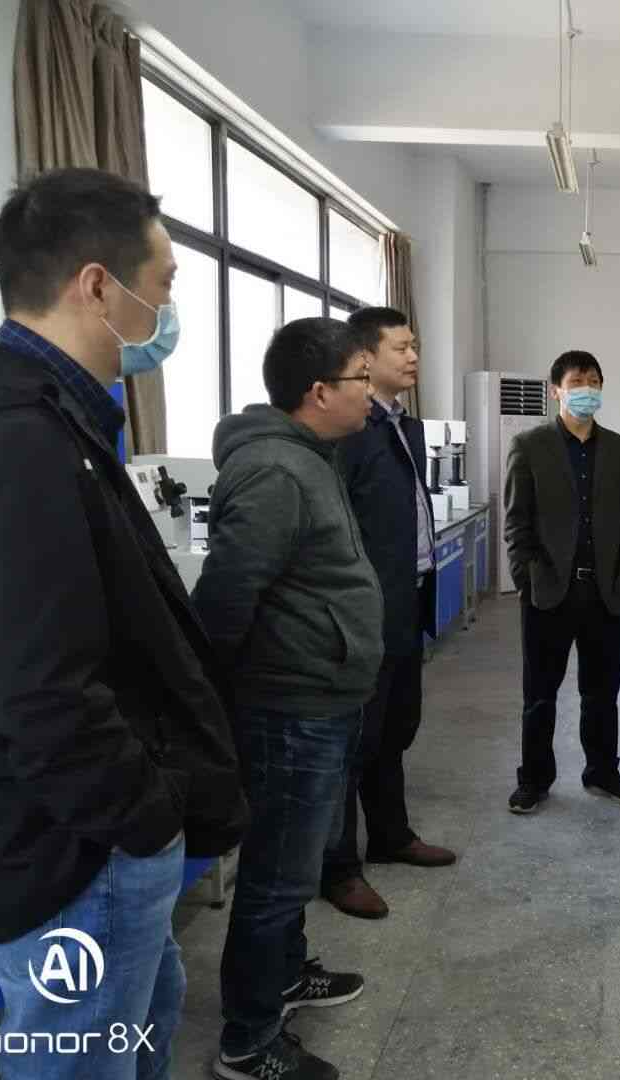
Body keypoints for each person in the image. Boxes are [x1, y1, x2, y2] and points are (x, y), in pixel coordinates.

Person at [0, 167, 247, 1080]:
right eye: (165, 283)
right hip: (75, 851)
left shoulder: (49, 420)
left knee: (140, 1031)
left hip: (80, 834)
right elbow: (39, 688)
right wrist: (142, 816)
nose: (168, 309)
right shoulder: (13, 441)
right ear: (98, 286)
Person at [193, 318, 384, 1080]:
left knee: (294, 867)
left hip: (322, 698)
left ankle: (283, 976)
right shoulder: (276, 470)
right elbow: (226, 597)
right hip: (290, 708)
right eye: (361, 378)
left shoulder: (309, 458)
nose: (371, 392)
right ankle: (248, 1040)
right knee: (275, 875)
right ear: (319, 391)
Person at [319, 307, 456, 922]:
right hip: (364, 611)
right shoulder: (350, 429)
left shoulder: (407, 426)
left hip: (406, 600)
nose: (413, 356)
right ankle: (338, 868)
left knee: (395, 730)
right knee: (355, 741)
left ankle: (392, 835)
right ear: (365, 358)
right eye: (401, 347)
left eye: (414, 344)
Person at [504, 350, 620, 814]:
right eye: (577, 382)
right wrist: (526, 579)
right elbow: (517, 523)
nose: (587, 390)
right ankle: (534, 779)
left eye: (594, 382)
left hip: (607, 593)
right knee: (539, 695)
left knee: (602, 694)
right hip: (549, 591)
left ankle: (602, 771)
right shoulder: (530, 446)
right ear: (556, 391)